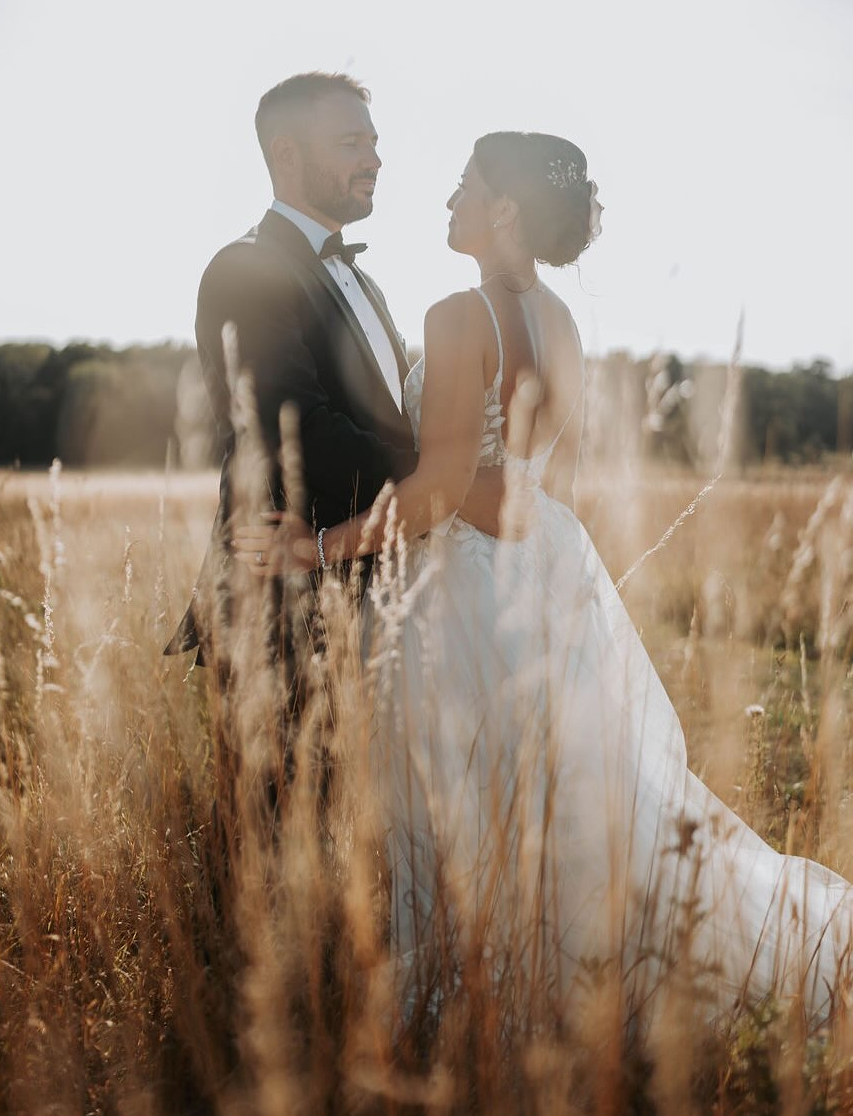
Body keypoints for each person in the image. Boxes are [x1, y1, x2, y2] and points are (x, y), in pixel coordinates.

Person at [234, 130, 853, 1026]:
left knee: (467, 795)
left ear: (504, 209)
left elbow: (441, 490)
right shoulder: (562, 322)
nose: (449, 199)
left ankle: (493, 990)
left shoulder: (458, 314)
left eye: (464, 185)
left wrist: (314, 547)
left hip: (465, 587)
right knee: (566, 787)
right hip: (548, 566)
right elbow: (536, 479)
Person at [165, 71, 503, 679]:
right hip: (283, 602)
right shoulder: (246, 270)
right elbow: (297, 429)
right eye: (351, 143)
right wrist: (444, 479)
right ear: (286, 154)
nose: (375, 160)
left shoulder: (365, 282)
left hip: (375, 596)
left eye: (374, 143)